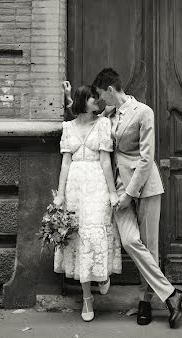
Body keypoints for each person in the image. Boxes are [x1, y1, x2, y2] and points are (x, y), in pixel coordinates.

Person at [63, 69, 182, 328]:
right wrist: (68, 98)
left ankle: (146, 301)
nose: (98, 101)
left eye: (99, 95)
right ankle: (173, 294)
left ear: (110, 89)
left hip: (146, 187)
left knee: (150, 247)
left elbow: (146, 158)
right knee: (131, 240)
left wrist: (131, 194)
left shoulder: (144, 112)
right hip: (118, 188)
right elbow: (81, 118)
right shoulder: (108, 114)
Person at [53, 84, 122, 322]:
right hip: (74, 188)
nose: (98, 101)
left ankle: (102, 276)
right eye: (93, 98)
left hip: (97, 185)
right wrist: (60, 194)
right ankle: (87, 299)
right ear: (84, 101)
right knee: (79, 239)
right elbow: (65, 164)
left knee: (95, 234)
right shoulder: (68, 128)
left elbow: (105, 162)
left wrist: (113, 193)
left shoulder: (103, 124)